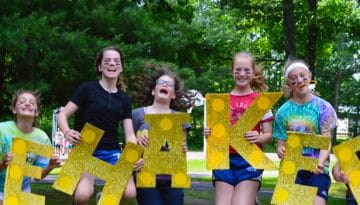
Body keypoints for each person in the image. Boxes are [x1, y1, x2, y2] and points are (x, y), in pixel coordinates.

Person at [57, 46, 140, 205]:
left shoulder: (124, 99)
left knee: (130, 193)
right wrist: (67, 132)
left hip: (112, 151)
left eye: (116, 61)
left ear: (121, 67)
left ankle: (104, 198)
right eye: (107, 61)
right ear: (99, 66)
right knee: (82, 195)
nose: (112, 64)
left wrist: (134, 155)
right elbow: (62, 115)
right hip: (86, 149)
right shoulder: (87, 89)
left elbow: (129, 134)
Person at [204, 52, 274, 205]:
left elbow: (269, 135)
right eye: (237, 70)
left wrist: (259, 137)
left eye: (247, 70)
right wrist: (209, 133)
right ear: (232, 72)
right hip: (223, 159)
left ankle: (250, 199)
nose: (242, 74)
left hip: (250, 159)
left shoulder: (261, 101)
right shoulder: (220, 102)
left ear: (253, 72)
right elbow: (214, 133)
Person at [273, 59, 337, 205]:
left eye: (302, 76)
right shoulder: (282, 112)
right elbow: (280, 145)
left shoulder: (324, 108)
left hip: (317, 170)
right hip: (292, 170)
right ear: (288, 83)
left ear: (309, 76)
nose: (299, 80)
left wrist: (319, 164)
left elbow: (325, 143)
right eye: (293, 78)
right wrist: (280, 150)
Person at [131, 63, 192, 205]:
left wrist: (183, 149)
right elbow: (130, 146)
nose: (165, 85)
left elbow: (182, 150)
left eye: (169, 84)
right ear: (154, 90)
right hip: (146, 177)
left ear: (174, 94)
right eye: (161, 83)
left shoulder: (179, 118)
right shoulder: (137, 114)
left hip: (173, 179)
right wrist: (135, 160)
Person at [0, 90, 62, 205]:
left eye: (32, 103)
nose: (27, 104)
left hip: (23, 191)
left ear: (37, 112)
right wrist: (4, 163)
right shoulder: (2, 130)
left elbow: (38, 177)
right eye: (22, 102)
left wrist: (50, 166)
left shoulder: (41, 138)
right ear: (14, 110)